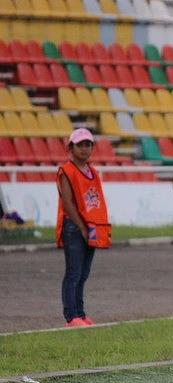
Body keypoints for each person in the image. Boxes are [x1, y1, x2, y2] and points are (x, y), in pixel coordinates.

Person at [55, 128, 111, 327]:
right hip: (74, 226)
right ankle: (71, 317)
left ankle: (80, 312)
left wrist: (95, 227)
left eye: (88, 144)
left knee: (84, 272)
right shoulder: (66, 171)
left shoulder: (92, 171)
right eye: (80, 145)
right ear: (70, 147)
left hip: (91, 225)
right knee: (74, 272)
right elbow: (68, 204)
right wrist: (82, 228)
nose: (85, 149)